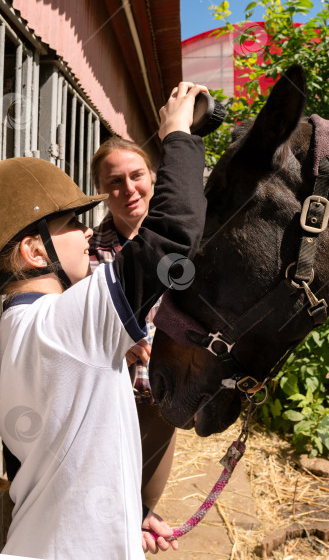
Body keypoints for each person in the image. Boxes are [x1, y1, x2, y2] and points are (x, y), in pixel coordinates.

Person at [0, 82, 208, 559]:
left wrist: (125, 518)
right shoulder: (66, 327)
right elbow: (175, 229)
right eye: (71, 224)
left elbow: (72, 456)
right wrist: (177, 132)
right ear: (35, 251)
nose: (85, 231)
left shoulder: (13, 329)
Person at [89, 136, 175, 511]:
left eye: (136, 175)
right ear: (101, 190)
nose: (129, 189)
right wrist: (112, 345)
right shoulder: (87, 252)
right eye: (115, 182)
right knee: (104, 506)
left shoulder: (185, 241)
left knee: (143, 512)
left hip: (162, 401)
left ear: (152, 176)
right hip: (106, 402)